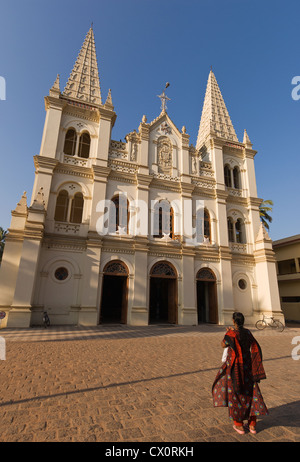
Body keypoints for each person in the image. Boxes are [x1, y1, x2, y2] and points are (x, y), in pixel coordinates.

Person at [212, 312, 268, 435]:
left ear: (233, 321)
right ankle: (252, 425)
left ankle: (239, 425)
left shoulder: (231, 334)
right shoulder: (248, 333)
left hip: (235, 369)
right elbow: (255, 346)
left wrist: (227, 333)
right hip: (248, 368)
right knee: (253, 394)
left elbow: (223, 344)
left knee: (236, 395)